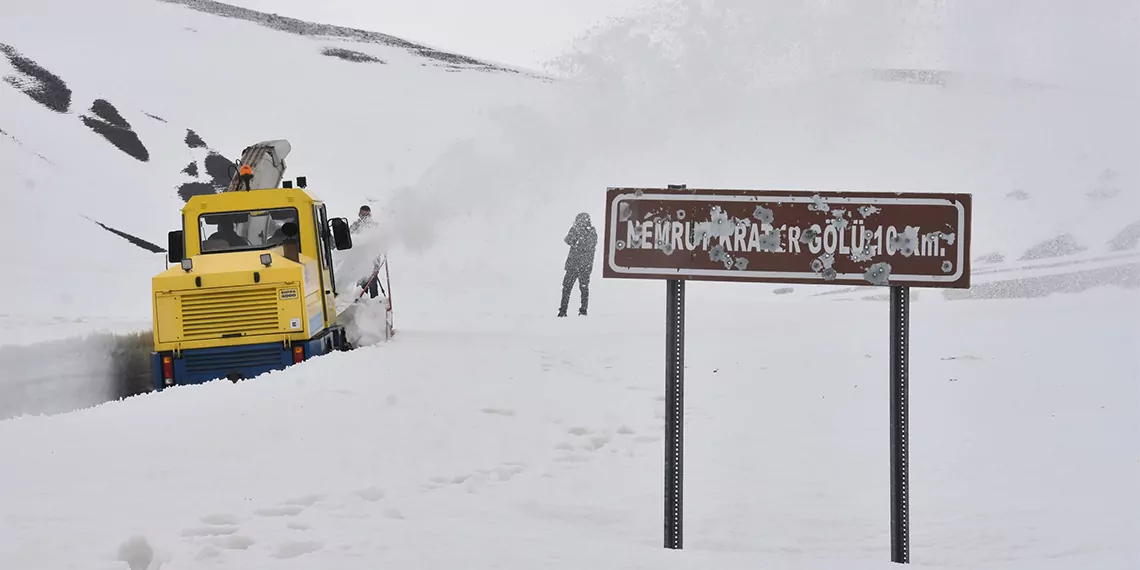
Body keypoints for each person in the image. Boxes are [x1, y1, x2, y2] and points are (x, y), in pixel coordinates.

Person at [559, 212, 597, 317]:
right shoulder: (592, 232)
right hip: (584, 265)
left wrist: (575, 230)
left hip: (576, 264)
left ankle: (565, 310)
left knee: (569, 287)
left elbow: (569, 241)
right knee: (581, 288)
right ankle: (580, 310)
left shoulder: (582, 231)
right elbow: (569, 241)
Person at [350, 205, 382, 299]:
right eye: (362, 214)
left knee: (372, 282)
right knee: (361, 284)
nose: (364, 216)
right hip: (360, 260)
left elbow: (380, 240)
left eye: (366, 214)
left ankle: (373, 301)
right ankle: (362, 301)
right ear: (359, 214)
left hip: (373, 259)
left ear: (370, 214)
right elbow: (350, 240)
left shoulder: (375, 227)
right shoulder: (355, 226)